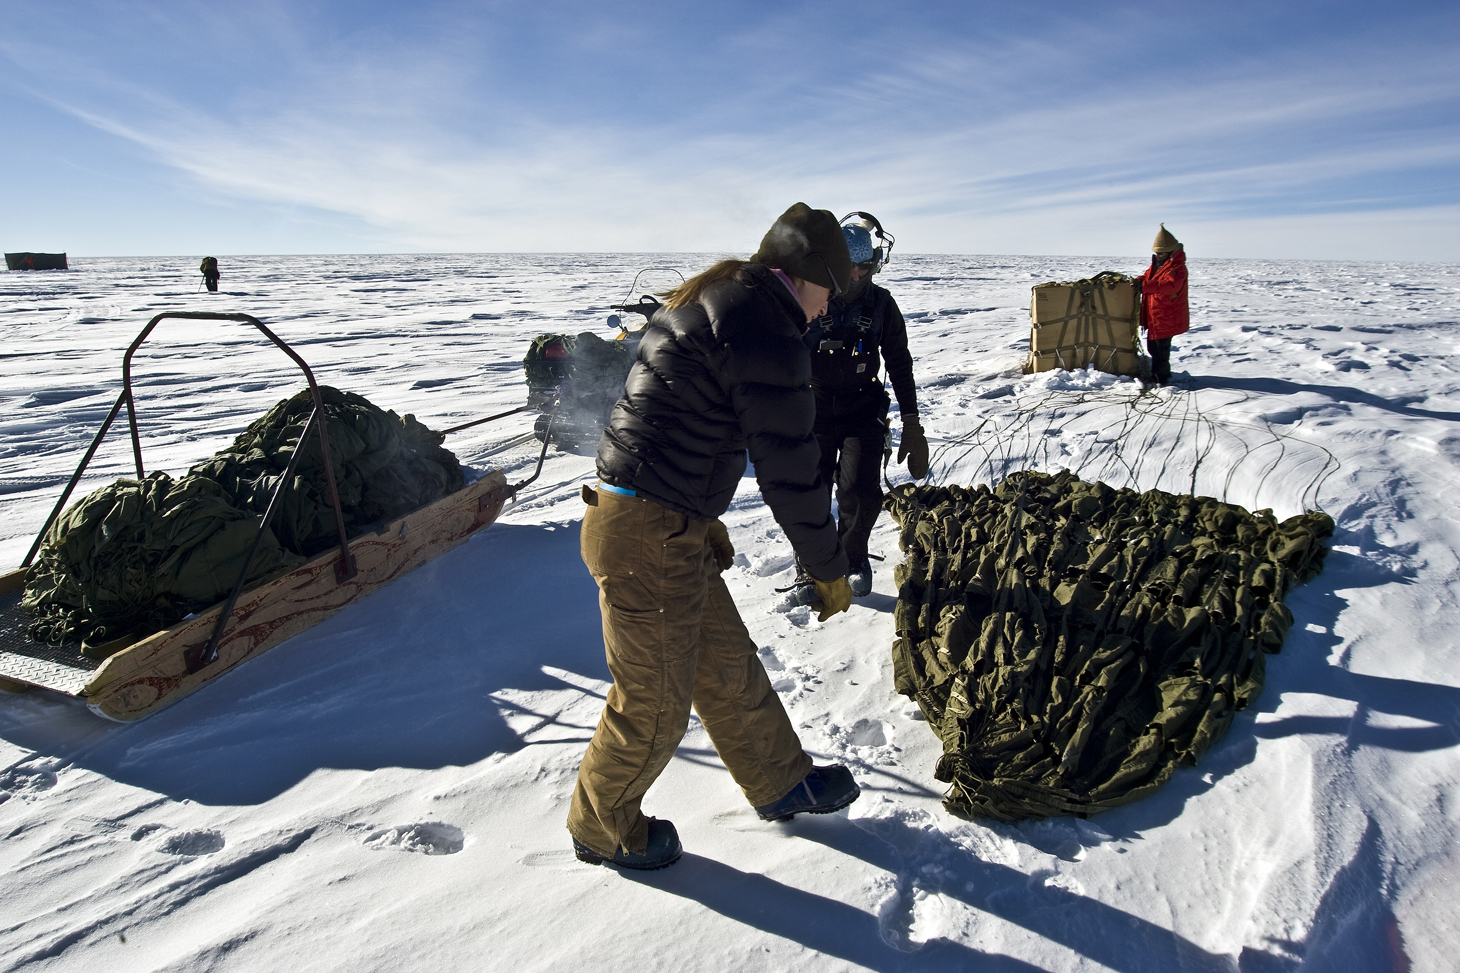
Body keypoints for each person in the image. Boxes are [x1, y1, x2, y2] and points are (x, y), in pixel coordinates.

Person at [569, 203, 860, 870]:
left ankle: (781, 779)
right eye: (829, 290)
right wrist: (828, 566)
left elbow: (675, 426)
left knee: (724, 663)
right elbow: (792, 468)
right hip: (649, 534)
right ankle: (600, 825)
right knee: (655, 701)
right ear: (804, 275)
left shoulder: (721, 300)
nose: (827, 309)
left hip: (658, 524)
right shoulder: (762, 326)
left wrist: (698, 516)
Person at [786, 212, 926, 602]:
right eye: (850, 269)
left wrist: (911, 422)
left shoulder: (881, 304)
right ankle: (811, 564)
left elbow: (899, 362)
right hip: (812, 407)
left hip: (862, 407)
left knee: (861, 494)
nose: (858, 277)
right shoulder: (808, 298)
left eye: (865, 268)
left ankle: (852, 557)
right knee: (811, 493)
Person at [1138, 225, 1189, 385]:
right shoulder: (1158, 265)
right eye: (1156, 253)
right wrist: (1135, 282)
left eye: (1160, 253)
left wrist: (1144, 286)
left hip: (1167, 316)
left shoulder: (1177, 268)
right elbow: (1147, 277)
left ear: (1170, 252)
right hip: (1157, 316)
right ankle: (1159, 375)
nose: (1157, 255)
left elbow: (1170, 286)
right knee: (1154, 348)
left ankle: (1160, 379)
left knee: (1160, 350)